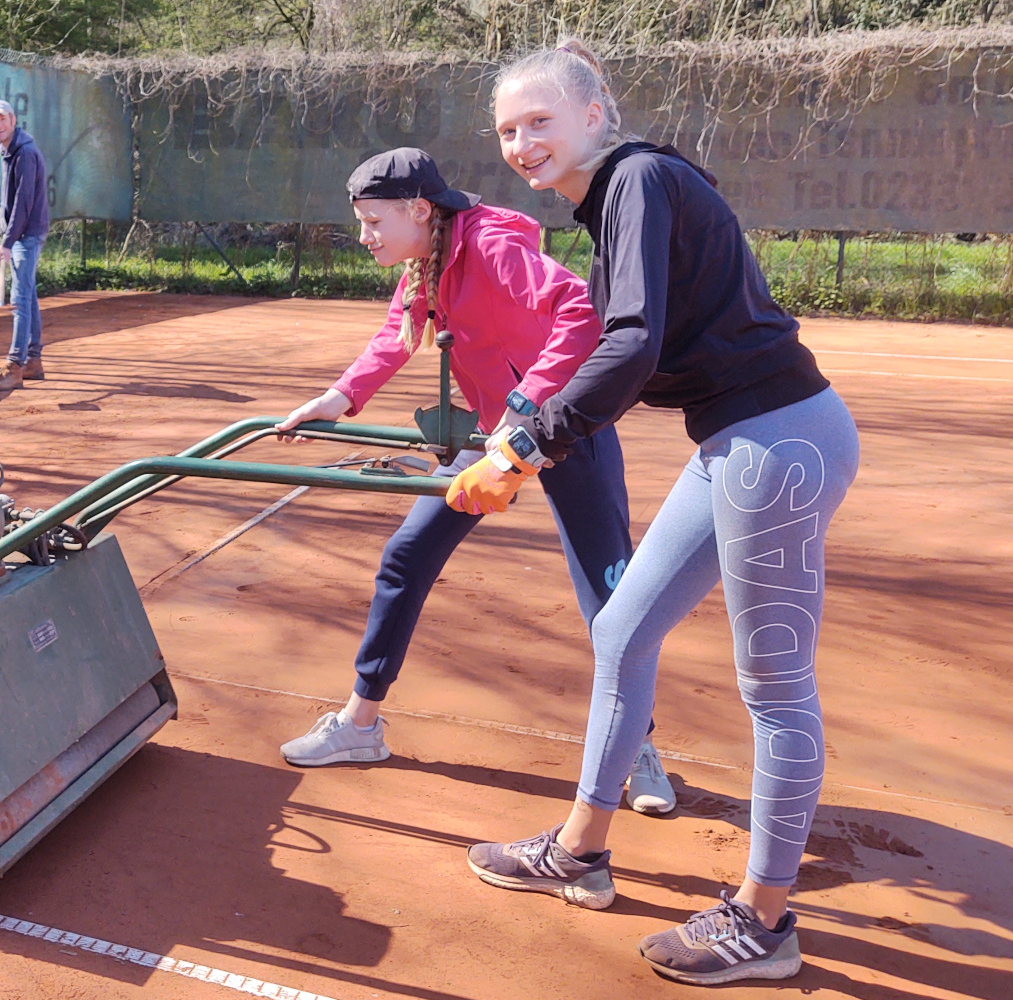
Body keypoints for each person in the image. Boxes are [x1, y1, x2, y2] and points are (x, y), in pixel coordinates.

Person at [458, 40, 860, 985]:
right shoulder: (621, 200)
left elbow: (634, 345)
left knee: (774, 685)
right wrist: (518, 425)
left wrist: (529, 444)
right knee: (622, 630)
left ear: (596, 115)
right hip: (737, 443)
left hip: (779, 443)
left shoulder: (636, 180)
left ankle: (765, 922)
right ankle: (582, 850)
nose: (522, 142)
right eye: (508, 130)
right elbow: (606, 338)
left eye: (540, 121)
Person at [274, 147, 675, 817]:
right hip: (492, 438)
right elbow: (396, 337)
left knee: (608, 595)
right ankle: (360, 725)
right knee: (407, 556)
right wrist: (337, 399)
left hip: (564, 429)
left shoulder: (488, 246)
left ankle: (638, 748)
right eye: (362, 222)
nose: (365, 236)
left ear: (419, 211)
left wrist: (526, 412)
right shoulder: (427, 263)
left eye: (374, 222)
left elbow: (580, 310)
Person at [0, 98, 49, 392]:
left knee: (20, 300)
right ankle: (33, 360)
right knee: (29, 294)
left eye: (1, 119)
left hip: (27, 233)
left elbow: (23, 202)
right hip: (23, 231)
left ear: (13, 120)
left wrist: (8, 241)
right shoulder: (9, 149)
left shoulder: (24, 153)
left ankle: (14, 365)